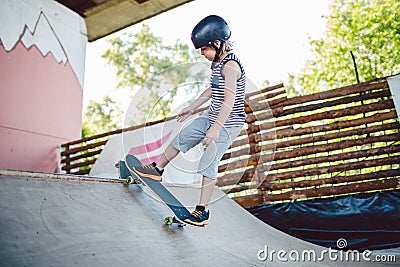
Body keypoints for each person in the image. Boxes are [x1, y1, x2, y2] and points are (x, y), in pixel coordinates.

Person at [132, 15, 246, 226]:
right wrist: (191, 108)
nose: (202, 53)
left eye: (204, 49)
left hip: (229, 122)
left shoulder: (231, 67)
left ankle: (202, 211)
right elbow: (212, 89)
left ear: (218, 43)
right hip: (212, 116)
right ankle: (157, 170)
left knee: (208, 159)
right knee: (184, 135)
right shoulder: (218, 63)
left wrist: (215, 130)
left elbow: (229, 102)